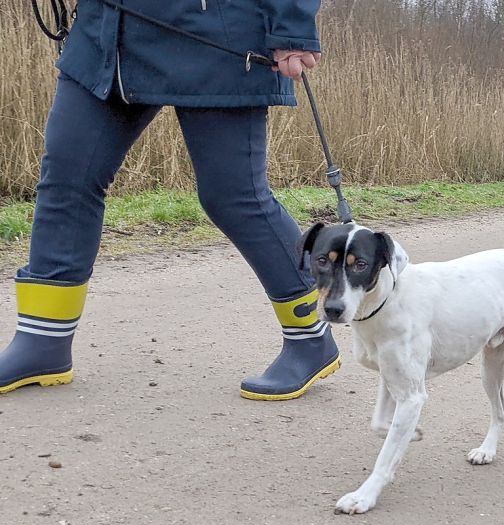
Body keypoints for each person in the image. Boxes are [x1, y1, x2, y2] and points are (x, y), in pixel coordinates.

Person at [0, 1, 341, 400]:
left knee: (233, 196)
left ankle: (309, 336)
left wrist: (292, 27)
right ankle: (43, 340)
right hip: (108, 31)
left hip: (217, 30)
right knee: (68, 176)